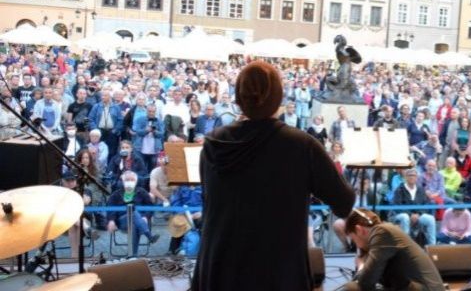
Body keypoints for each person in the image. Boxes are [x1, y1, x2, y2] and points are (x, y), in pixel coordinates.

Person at [192, 61, 354, 291]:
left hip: (220, 268)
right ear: (278, 98)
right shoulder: (302, 145)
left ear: (238, 97)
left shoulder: (214, 143)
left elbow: (210, 201)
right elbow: (344, 203)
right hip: (277, 272)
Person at [342, 208, 444, 291]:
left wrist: (361, 266)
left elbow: (365, 284)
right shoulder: (386, 231)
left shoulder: (381, 232)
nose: (357, 246)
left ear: (359, 230)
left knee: (351, 288)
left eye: (354, 240)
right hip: (416, 287)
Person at [106, 171, 160, 257]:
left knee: (134, 224)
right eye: (127, 180)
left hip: (140, 221)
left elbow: (150, 207)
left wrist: (146, 217)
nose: (129, 182)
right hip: (122, 221)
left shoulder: (142, 192)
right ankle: (149, 236)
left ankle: (132, 255)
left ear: (135, 182)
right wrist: (111, 220)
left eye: (132, 180)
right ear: (123, 181)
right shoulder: (116, 194)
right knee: (133, 213)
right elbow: (110, 209)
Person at [392, 169, 436, 246]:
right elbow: (397, 206)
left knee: (430, 219)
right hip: (401, 215)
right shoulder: (399, 189)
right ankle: (406, 246)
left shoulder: (421, 190)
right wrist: (410, 215)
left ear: (417, 178)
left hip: (418, 215)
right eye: (410, 175)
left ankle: (432, 247)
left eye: (414, 175)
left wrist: (418, 214)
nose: (412, 177)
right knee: (405, 217)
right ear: (405, 177)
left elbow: (426, 204)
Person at [132, 104, 165, 172]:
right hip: (140, 147)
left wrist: (154, 131)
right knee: (141, 167)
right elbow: (137, 132)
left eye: (153, 111)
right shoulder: (140, 120)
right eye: (149, 111)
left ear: (155, 112)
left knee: (152, 168)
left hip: (154, 148)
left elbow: (162, 134)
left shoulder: (159, 121)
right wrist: (146, 131)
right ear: (146, 111)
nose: (151, 113)